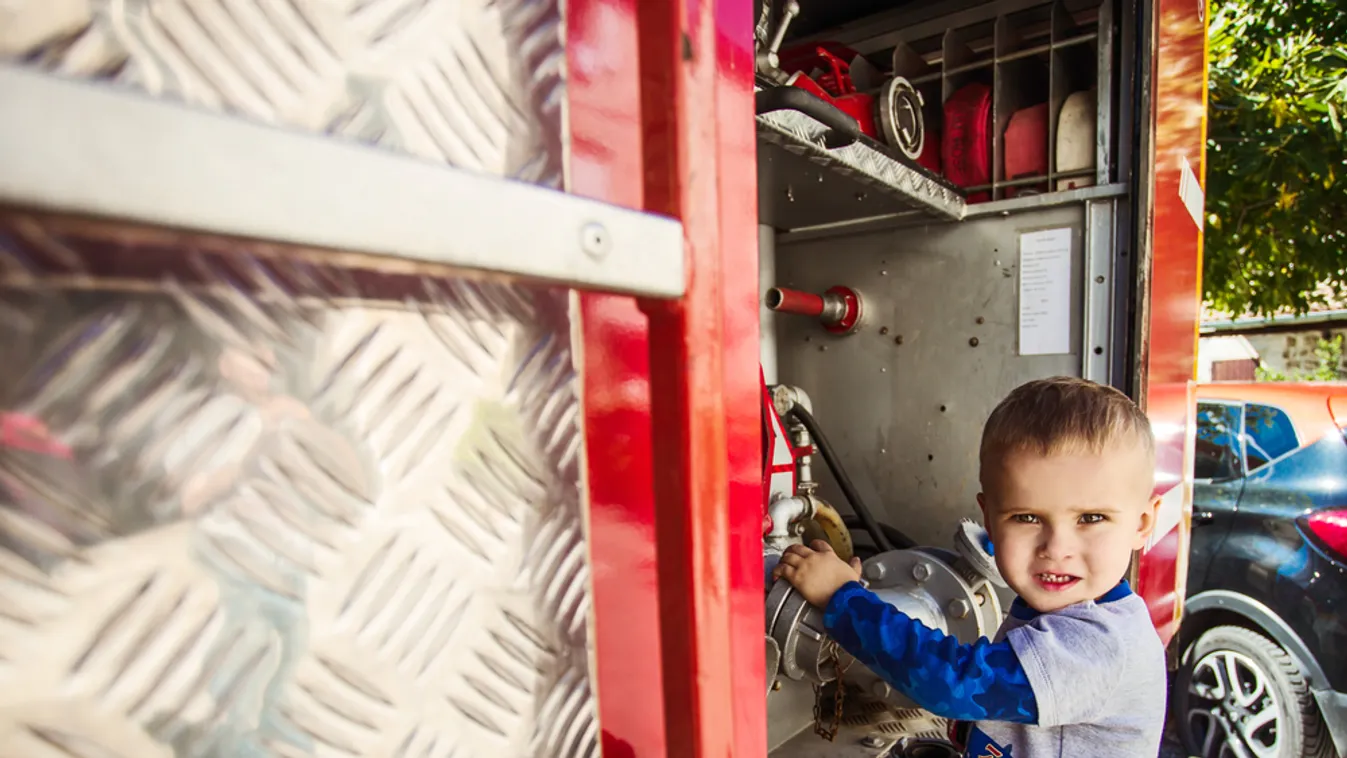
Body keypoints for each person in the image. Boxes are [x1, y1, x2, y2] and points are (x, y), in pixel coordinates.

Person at [773, 377, 1167, 757]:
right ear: (990, 519)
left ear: (1142, 524)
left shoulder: (1102, 647)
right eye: (1027, 518)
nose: (1056, 548)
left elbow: (958, 686)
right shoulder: (1068, 611)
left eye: (1092, 518)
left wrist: (845, 599)